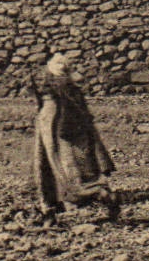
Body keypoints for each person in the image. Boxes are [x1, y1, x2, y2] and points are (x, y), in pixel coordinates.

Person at [31, 54, 120, 224]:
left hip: (52, 125)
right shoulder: (70, 89)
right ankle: (51, 207)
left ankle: (53, 205)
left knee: (55, 165)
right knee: (56, 165)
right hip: (57, 126)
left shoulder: (56, 90)